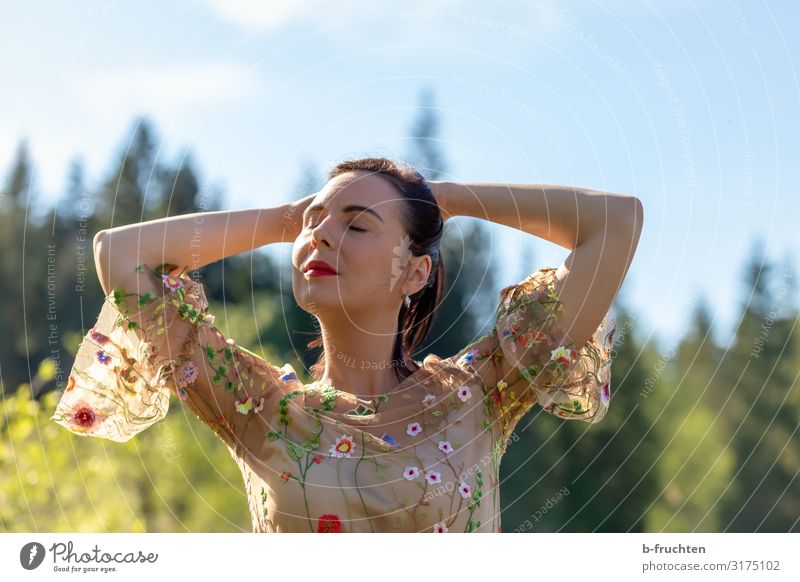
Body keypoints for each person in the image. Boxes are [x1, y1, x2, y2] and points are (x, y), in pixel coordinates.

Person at [51, 157, 643, 533]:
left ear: (415, 274)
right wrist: (294, 217)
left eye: (358, 225)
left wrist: (450, 197)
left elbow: (615, 222)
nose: (323, 235)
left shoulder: (480, 395)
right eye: (314, 224)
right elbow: (120, 254)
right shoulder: (257, 408)